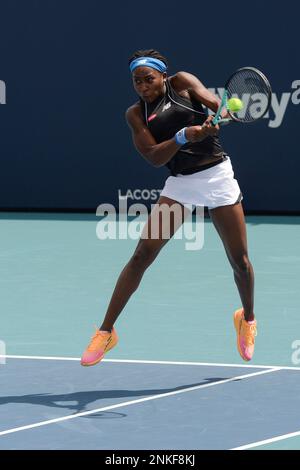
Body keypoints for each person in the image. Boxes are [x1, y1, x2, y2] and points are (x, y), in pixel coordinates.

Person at [81, 49, 257, 367]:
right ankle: (106, 332)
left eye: (148, 79)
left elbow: (212, 102)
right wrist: (183, 136)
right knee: (141, 255)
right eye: (137, 81)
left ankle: (247, 319)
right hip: (181, 186)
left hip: (217, 178)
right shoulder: (135, 114)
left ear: (163, 75)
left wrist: (216, 114)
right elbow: (153, 157)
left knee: (240, 261)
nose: (143, 86)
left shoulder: (183, 82)